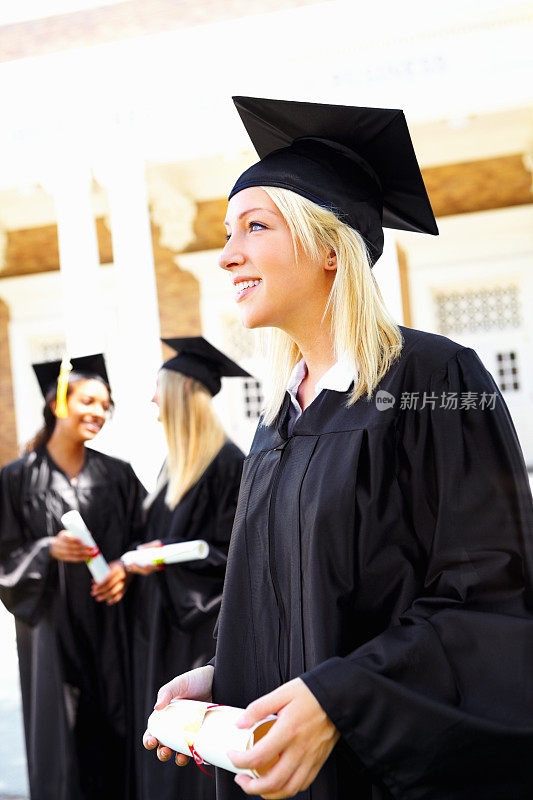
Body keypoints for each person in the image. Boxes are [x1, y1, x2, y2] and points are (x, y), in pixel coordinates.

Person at [144, 97, 533, 799]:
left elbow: (488, 601)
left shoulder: (433, 380)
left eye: (254, 227)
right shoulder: (277, 422)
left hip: (380, 776)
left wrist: (339, 699)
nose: (227, 254)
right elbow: (289, 605)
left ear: (331, 247)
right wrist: (219, 675)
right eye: (227, 232)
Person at [0, 353, 146, 800]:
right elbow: (4, 555)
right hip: (50, 633)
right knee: (60, 743)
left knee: (117, 731)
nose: (98, 413)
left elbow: (148, 536)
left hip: (110, 628)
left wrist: (125, 568)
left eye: (106, 405)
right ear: (58, 401)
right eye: (88, 401)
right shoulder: (17, 478)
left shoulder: (117, 475)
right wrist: (47, 550)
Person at [128, 337, 247, 800]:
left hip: (200, 636)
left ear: (180, 393)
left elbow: (235, 557)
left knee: (191, 754)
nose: (152, 398)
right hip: (163, 628)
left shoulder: (228, 465)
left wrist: (168, 556)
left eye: (159, 387)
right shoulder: (172, 466)